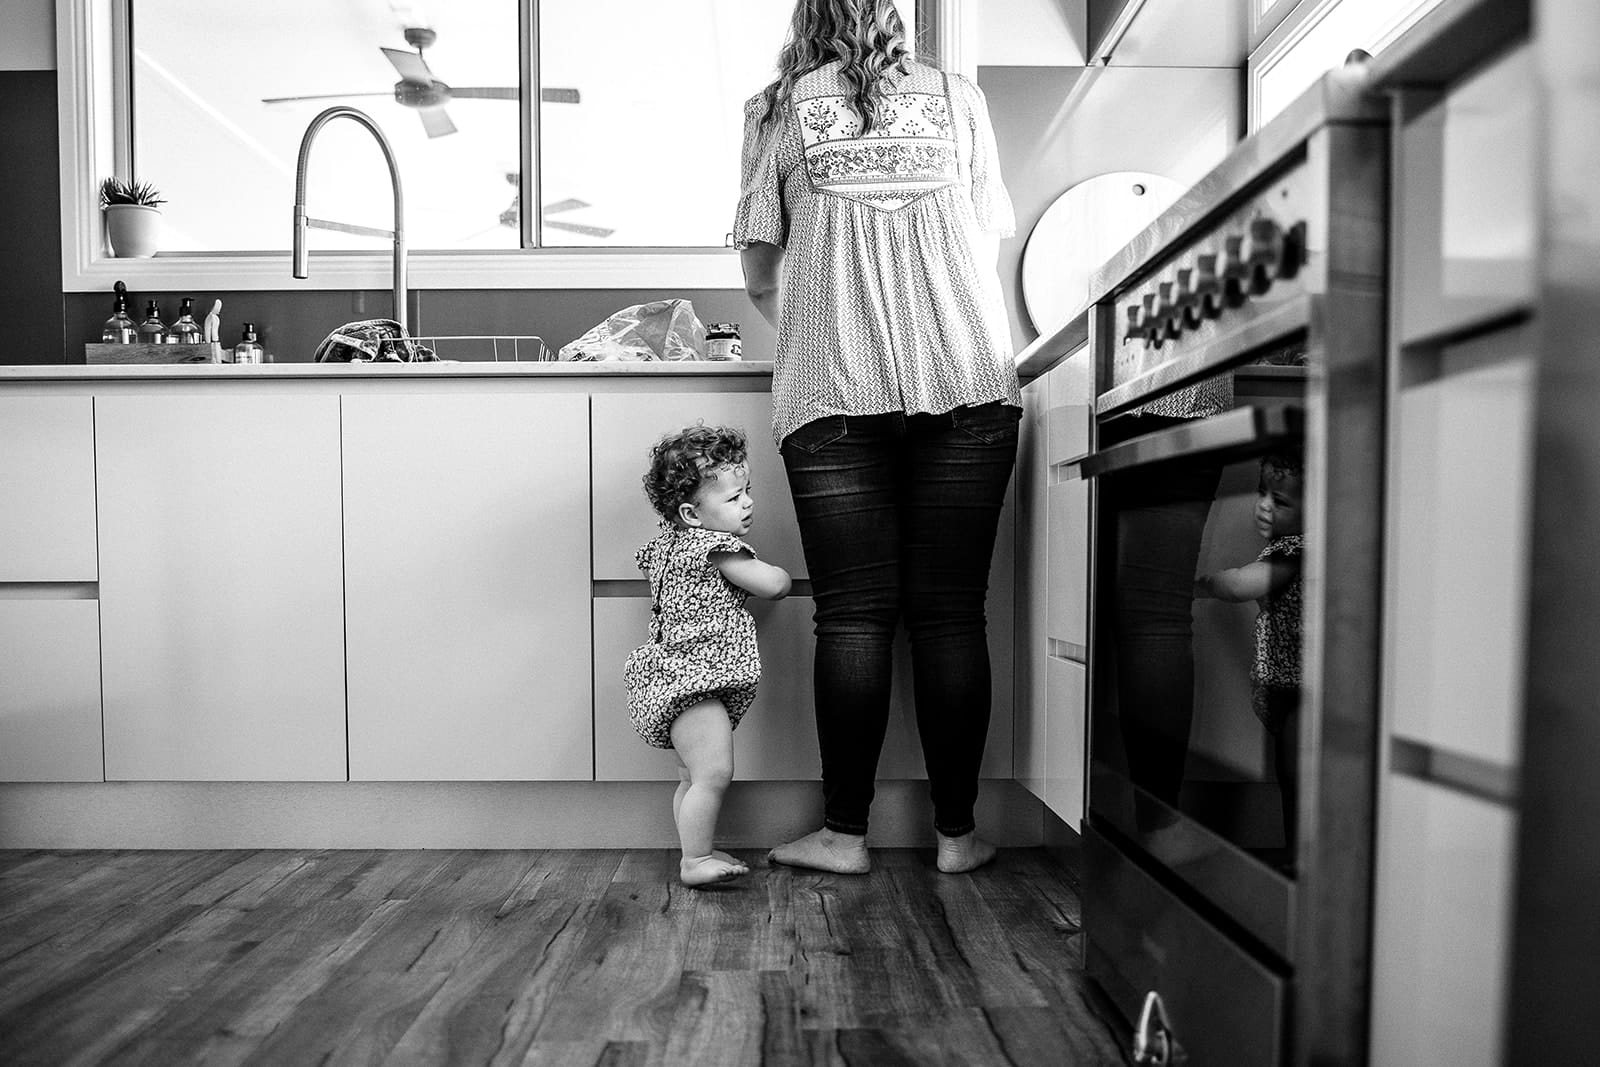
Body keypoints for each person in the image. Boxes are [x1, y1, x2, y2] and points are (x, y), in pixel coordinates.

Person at [733, 0, 1021, 875]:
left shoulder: (774, 108)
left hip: (832, 397)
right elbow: (985, 237)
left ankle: (844, 835)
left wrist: (830, 325)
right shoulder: (960, 99)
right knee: (950, 616)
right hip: (969, 382)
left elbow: (757, 268)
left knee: (852, 615)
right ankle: (959, 835)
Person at [623, 425, 793, 887]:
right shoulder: (715, 549)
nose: (749, 503)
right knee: (715, 773)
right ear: (691, 514)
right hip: (695, 680)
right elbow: (774, 587)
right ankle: (695, 862)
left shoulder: (666, 547)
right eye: (735, 498)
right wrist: (779, 571)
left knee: (692, 779)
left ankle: (693, 849)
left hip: (668, 676)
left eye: (747, 492)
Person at [1194, 451, 1305, 853]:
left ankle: (1300, 859)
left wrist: (1205, 583)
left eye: (1281, 501)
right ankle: (1299, 856)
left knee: (1296, 777)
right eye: (1262, 493)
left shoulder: (1294, 551)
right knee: (1293, 776)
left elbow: (1243, 584)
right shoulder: (1293, 547)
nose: (1263, 505)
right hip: (1291, 688)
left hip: (1302, 694)